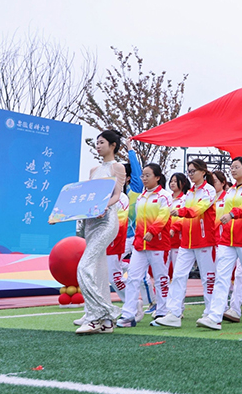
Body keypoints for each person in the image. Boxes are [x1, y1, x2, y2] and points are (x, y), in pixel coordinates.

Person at [197, 156, 242, 331]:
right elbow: (221, 216)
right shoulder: (230, 191)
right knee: (221, 277)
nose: (233, 170)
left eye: (236, 167)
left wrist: (233, 214)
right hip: (227, 240)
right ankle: (214, 317)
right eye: (231, 167)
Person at [72, 130, 127, 335]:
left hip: (106, 221)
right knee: (99, 270)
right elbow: (88, 196)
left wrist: (104, 206)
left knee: (84, 267)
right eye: (97, 142)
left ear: (113, 145)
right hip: (91, 223)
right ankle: (106, 322)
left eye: (102, 142)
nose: (98, 145)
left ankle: (97, 314)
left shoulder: (117, 167)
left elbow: (117, 195)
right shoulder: (94, 169)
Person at [153, 159, 217, 327]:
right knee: (178, 276)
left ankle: (211, 313)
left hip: (204, 240)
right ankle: (174, 313)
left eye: (193, 171)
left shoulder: (209, 191)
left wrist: (181, 212)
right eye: (189, 171)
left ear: (203, 172)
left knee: (208, 278)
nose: (190, 174)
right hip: (186, 242)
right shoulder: (190, 193)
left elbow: (198, 209)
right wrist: (175, 226)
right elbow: (184, 217)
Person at [116, 163, 172, 327]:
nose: (144, 179)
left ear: (157, 177)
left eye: (148, 175)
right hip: (140, 245)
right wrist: (138, 238)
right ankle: (128, 315)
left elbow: (163, 216)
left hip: (158, 244)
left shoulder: (164, 196)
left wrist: (153, 231)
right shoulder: (141, 197)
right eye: (143, 176)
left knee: (161, 279)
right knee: (133, 278)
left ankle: (162, 312)